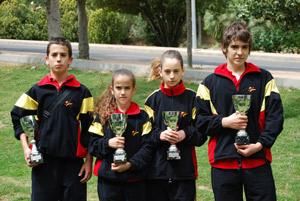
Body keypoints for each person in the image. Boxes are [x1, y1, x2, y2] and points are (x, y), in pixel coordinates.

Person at [195, 21, 284, 201]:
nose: (239, 52)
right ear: (224, 48)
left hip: (258, 159)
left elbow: (275, 118)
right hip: (223, 162)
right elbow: (199, 122)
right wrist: (224, 122)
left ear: (249, 49)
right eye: (234, 46)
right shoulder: (208, 83)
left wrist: (259, 145)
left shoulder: (264, 78)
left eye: (244, 47)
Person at [11, 37, 94, 201]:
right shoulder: (37, 90)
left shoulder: (82, 92)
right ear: (47, 59)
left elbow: (90, 130)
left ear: (70, 60)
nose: (58, 59)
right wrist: (27, 150)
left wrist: (88, 162)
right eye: (54, 54)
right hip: (43, 163)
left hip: (73, 165)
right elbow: (18, 117)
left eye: (63, 55)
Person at [144, 50, 207, 201]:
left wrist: (185, 134)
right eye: (167, 71)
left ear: (183, 71)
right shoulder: (152, 100)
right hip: (157, 173)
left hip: (184, 174)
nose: (172, 76)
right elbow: (144, 136)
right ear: (160, 71)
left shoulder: (193, 98)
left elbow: (201, 135)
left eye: (176, 71)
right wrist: (160, 135)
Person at [88, 68, 153, 201]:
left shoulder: (143, 117)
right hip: (108, 181)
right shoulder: (102, 116)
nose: (123, 92)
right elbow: (92, 145)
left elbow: (148, 148)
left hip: (135, 180)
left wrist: (130, 164)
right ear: (112, 89)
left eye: (127, 88)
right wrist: (108, 143)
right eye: (118, 88)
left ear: (133, 89)